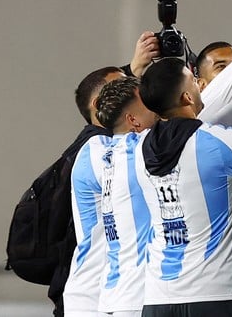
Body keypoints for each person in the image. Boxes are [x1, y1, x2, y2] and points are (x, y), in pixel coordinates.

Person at [135, 58, 232, 317]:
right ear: (186, 97)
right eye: (193, 81)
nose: (199, 85)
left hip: (158, 297)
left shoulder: (135, 149)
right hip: (216, 295)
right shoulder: (218, 143)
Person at [58, 66, 125, 317]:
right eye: (126, 89)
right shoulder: (96, 148)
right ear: (100, 105)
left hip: (106, 294)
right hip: (93, 298)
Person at [91, 76, 158, 317]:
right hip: (137, 298)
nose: (157, 106)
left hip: (112, 297)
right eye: (149, 103)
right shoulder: (140, 148)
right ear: (133, 120)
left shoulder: (106, 154)